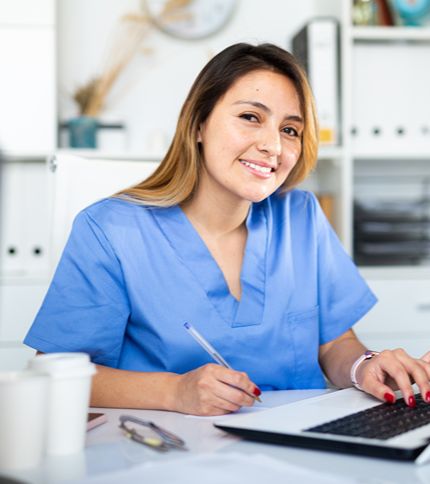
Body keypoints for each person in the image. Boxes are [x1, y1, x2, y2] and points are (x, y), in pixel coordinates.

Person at [24, 43, 430, 416]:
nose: (273, 145)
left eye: (290, 129)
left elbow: (336, 344)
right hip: (165, 455)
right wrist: (174, 391)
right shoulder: (111, 230)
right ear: (198, 124)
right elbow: (56, 372)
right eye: (251, 117)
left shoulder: (301, 216)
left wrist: (365, 367)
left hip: (300, 449)